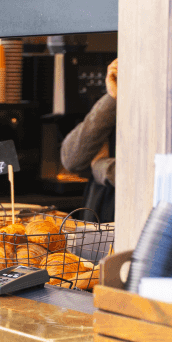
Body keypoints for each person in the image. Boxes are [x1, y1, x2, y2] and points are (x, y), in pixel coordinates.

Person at [60, 58, 118, 222]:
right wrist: (111, 98)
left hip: (129, 224)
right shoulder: (116, 102)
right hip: (97, 221)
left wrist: (100, 166)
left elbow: (146, 175)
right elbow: (72, 158)